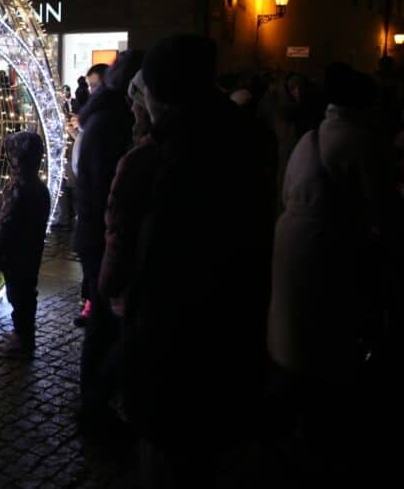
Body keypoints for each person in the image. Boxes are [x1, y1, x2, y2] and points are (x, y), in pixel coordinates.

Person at [99, 35, 274, 487]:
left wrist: (118, 292)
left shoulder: (164, 156)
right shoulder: (248, 136)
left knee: (168, 453)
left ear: (161, 92)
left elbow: (146, 253)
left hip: (172, 337)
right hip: (232, 330)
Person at [268, 63, 390, 486]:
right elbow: (382, 205)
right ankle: (314, 430)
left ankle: (289, 417)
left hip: (293, 239)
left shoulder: (310, 137)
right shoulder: (360, 141)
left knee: (294, 329)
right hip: (327, 242)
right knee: (324, 332)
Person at [73, 51, 142, 432]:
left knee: (105, 319)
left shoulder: (101, 118)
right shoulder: (112, 123)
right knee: (106, 320)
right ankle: (95, 405)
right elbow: (106, 194)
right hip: (102, 236)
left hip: (97, 233)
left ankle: (97, 401)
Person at [0, 131, 51, 359]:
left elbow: (5, 224)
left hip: (15, 256)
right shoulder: (39, 187)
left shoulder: (18, 188)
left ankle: (23, 341)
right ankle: (22, 335)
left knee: (19, 297)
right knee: (25, 295)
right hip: (31, 253)